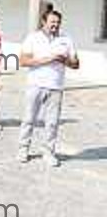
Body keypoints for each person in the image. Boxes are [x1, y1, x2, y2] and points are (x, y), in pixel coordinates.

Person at [18, 9, 79, 167]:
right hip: (35, 85)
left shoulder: (66, 39)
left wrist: (64, 60)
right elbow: (23, 61)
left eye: (58, 22)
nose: (55, 25)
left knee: (52, 123)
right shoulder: (33, 37)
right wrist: (48, 59)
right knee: (29, 119)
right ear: (44, 22)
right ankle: (23, 149)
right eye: (52, 22)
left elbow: (76, 64)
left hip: (56, 87)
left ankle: (48, 152)